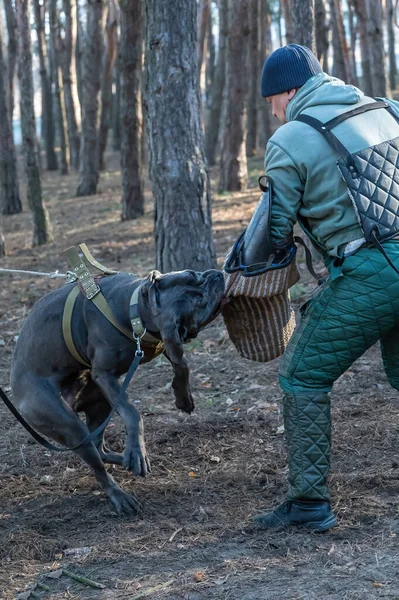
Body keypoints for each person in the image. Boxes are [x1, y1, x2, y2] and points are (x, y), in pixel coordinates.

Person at [253, 44, 399, 531]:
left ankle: (309, 504)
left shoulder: (291, 137)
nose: (272, 110)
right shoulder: (384, 108)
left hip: (372, 271)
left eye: (271, 99)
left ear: (288, 91)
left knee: (302, 376)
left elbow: (275, 232)